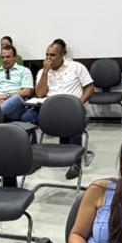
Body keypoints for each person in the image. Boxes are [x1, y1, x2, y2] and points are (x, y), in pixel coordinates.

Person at [23, 39, 95, 179]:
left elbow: (90, 88)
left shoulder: (76, 67)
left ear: (62, 55)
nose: (48, 58)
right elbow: (40, 94)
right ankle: (35, 158)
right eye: (47, 55)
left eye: (52, 55)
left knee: (73, 118)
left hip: (71, 109)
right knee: (26, 118)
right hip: (48, 109)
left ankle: (75, 163)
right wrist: (45, 72)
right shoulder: (43, 71)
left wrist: (79, 103)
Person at [0, 46, 34, 121]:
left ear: (15, 57)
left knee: (16, 98)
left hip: (16, 107)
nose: (5, 59)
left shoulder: (24, 71)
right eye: (3, 57)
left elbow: (27, 91)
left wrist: (6, 97)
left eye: (8, 57)